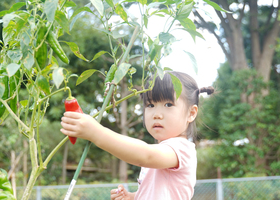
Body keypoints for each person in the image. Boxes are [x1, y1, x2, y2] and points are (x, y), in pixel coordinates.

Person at [60, 71, 214, 200]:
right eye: (151, 105)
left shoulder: (181, 149)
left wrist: (95, 132)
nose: (157, 114)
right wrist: (134, 196)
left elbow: (145, 156)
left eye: (168, 104)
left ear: (191, 113)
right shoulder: (163, 149)